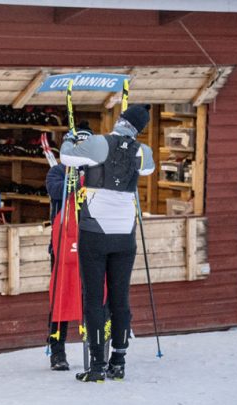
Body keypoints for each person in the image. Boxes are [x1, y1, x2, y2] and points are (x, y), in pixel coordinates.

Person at [60, 104, 155, 382]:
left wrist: (70, 136)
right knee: (120, 297)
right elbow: (148, 170)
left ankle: (97, 365)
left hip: (95, 230)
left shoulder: (99, 142)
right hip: (125, 233)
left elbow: (66, 157)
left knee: (93, 298)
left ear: (121, 119)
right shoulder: (142, 151)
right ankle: (119, 361)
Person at [44, 122, 92, 372]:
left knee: (93, 298)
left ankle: (96, 347)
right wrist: (74, 180)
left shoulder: (97, 170)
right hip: (63, 245)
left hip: (92, 242)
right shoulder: (59, 171)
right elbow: (54, 190)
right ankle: (57, 351)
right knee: (61, 298)